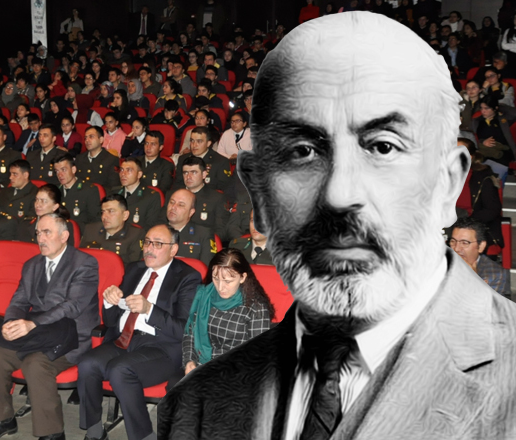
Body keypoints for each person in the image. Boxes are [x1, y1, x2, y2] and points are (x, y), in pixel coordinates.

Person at [158, 12, 516, 438]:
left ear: (448, 183)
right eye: (303, 151)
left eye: (383, 146)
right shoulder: (194, 406)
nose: (339, 194)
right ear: (257, 186)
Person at [0, 213, 99, 440]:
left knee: (35, 364)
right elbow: (18, 301)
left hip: (70, 339)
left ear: (64, 236)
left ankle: (52, 434)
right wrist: (10, 323)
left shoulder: (85, 263)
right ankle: (3, 420)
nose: (40, 238)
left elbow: (72, 306)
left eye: (47, 232)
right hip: (38, 334)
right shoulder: (32, 265)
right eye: (38, 233)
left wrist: (32, 323)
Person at [77, 224, 201, 440]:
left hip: (161, 348)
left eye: (158, 244)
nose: (149, 248)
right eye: (147, 242)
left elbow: (184, 329)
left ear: (173, 249)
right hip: (124, 340)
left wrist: (149, 310)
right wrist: (109, 302)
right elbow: (111, 321)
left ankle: (144, 436)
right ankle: (94, 429)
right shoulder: (135, 269)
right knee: (87, 363)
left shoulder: (187, 277)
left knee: (120, 370)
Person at [183, 248, 273, 376]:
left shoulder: (255, 308)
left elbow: (256, 356)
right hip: (201, 364)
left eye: (228, 281)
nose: (220, 287)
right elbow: (190, 333)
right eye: (215, 278)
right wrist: (189, 361)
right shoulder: (204, 295)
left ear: (242, 277)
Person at [449, 217, 510, 297]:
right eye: (453, 241)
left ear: (481, 246)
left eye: (464, 243)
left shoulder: (495, 274)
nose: (456, 248)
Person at [79, 194, 144, 265]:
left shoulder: (135, 234)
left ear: (125, 215)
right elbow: (80, 259)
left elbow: (133, 268)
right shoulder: (91, 229)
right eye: (103, 212)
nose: (104, 216)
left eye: (111, 211)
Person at [53, 154, 102, 232]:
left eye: (64, 170)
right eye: (57, 171)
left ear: (73, 170)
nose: (60, 174)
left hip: (79, 234)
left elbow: (95, 221)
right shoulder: (55, 190)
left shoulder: (89, 190)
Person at [166, 189, 214, 264]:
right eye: (172, 202)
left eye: (180, 205)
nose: (173, 207)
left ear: (191, 212)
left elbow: (207, 268)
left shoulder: (203, 234)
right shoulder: (156, 232)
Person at [75, 126, 120, 191]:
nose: (87, 140)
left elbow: (114, 187)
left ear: (101, 140)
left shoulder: (111, 159)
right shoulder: (80, 158)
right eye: (85, 138)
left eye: (91, 137)